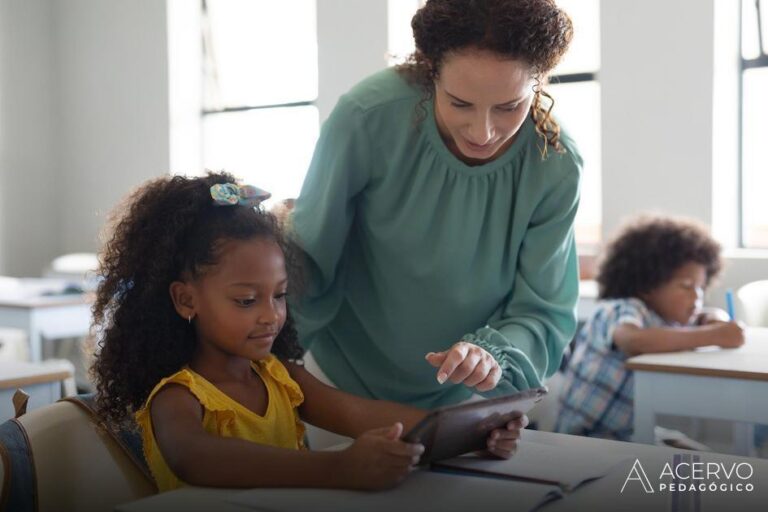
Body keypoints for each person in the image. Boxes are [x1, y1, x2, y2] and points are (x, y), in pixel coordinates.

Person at [90, 172, 524, 492]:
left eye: (278, 296)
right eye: (246, 300)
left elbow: (362, 415)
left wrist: (472, 433)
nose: (270, 316)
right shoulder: (177, 397)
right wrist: (337, 470)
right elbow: (196, 459)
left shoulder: (282, 377)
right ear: (186, 300)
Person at [286, 0, 581, 418]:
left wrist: (490, 354)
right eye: (460, 103)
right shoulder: (367, 116)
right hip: (338, 381)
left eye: (509, 107)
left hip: (462, 401)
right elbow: (309, 258)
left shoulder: (557, 162)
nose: (483, 132)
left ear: (540, 85)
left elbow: (541, 311)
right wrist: (269, 364)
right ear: (430, 71)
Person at [554, 216, 745, 441]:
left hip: (629, 433)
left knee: (695, 455)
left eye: (701, 288)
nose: (697, 297)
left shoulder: (664, 318)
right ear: (647, 284)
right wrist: (713, 335)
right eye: (686, 286)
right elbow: (634, 341)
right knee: (690, 468)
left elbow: (704, 317)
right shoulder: (620, 309)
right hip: (586, 440)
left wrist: (716, 318)